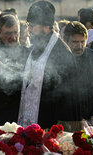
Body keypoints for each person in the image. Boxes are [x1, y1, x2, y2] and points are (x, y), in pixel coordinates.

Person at [17, 1, 78, 129]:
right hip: (35, 117)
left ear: (46, 27)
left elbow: (66, 95)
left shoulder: (61, 53)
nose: (29, 30)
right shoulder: (35, 48)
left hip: (51, 121)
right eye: (29, 25)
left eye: (33, 26)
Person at [0, 14, 28, 124]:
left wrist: (1, 66)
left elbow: (25, 78)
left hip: (22, 114)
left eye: (15, 32)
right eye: (8, 33)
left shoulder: (27, 54)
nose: (13, 37)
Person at [63, 21, 93, 126]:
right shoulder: (60, 60)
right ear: (65, 40)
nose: (79, 46)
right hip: (68, 120)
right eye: (75, 42)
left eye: (82, 41)